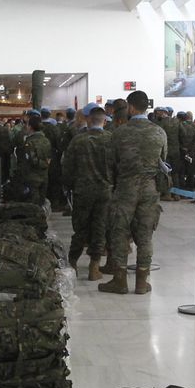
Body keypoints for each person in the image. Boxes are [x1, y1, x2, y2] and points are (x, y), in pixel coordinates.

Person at [99, 90, 166, 295]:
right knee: (145, 236)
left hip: (125, 188)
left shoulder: (119, 133)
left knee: (119, 233)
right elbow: (163, 162)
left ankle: (119, 280)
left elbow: (110, 164)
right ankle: (141, 282)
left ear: (131, 107)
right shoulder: (159, 132)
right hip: (149, 190)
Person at [61, 103, 112, 279]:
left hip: (82, 191)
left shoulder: (78, 140)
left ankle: (72, 262)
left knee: (80, 228)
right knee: (100, 228)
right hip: (105, 192)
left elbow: (67, 167)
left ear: (89, 120)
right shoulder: (111, 140)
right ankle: (94, 267)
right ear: (104, 121)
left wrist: (67, 186)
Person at [10, 111, 51, 203]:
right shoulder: (46, 140)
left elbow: (31, 160)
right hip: (44, 176)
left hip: (32, 178)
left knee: (33, 207)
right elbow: (49, 158)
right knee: (41, 202)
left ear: (30, 127)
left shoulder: (29, 143)